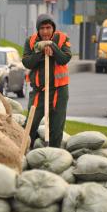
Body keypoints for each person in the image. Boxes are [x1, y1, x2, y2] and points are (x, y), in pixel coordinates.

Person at [22, 14, 72, 148]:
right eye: (42, 28)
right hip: (39, 92)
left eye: (48, 28)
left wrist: (53, 47)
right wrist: (40, 51)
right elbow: (27, 62)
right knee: (30, 124)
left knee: (56, 126)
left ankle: (54, 153)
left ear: (53, 28)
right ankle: (25, 150)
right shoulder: (31, 41)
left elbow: (64, 59)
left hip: (59, 91)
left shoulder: (62, 38)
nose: (45, 31)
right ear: (38, 29)